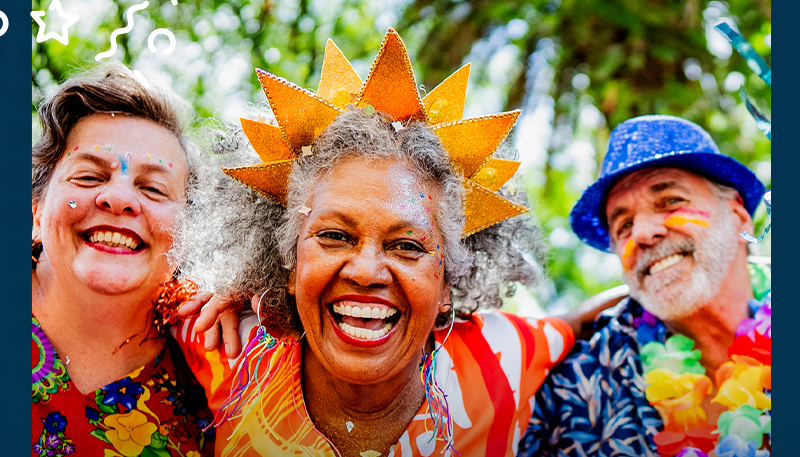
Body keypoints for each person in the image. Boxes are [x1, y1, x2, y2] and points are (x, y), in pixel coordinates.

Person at [170, 28, 575, 457]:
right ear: (288, 264)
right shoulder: (229, 349)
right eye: (334, 236)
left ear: (448, 284)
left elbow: (601, 315)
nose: (365, 271)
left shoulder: (500, 357)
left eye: (407, 246)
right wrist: (200, 290)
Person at [518, 115, 771, 456]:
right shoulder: (572, 389)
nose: (641, 234)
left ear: (738, 214)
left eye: (670, 201)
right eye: (623, 226)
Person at [32, 63, 216, 457]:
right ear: (35, 212)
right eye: (88, 177)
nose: (119, 199)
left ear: (189, 237)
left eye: (153, 188)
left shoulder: (222, 384)